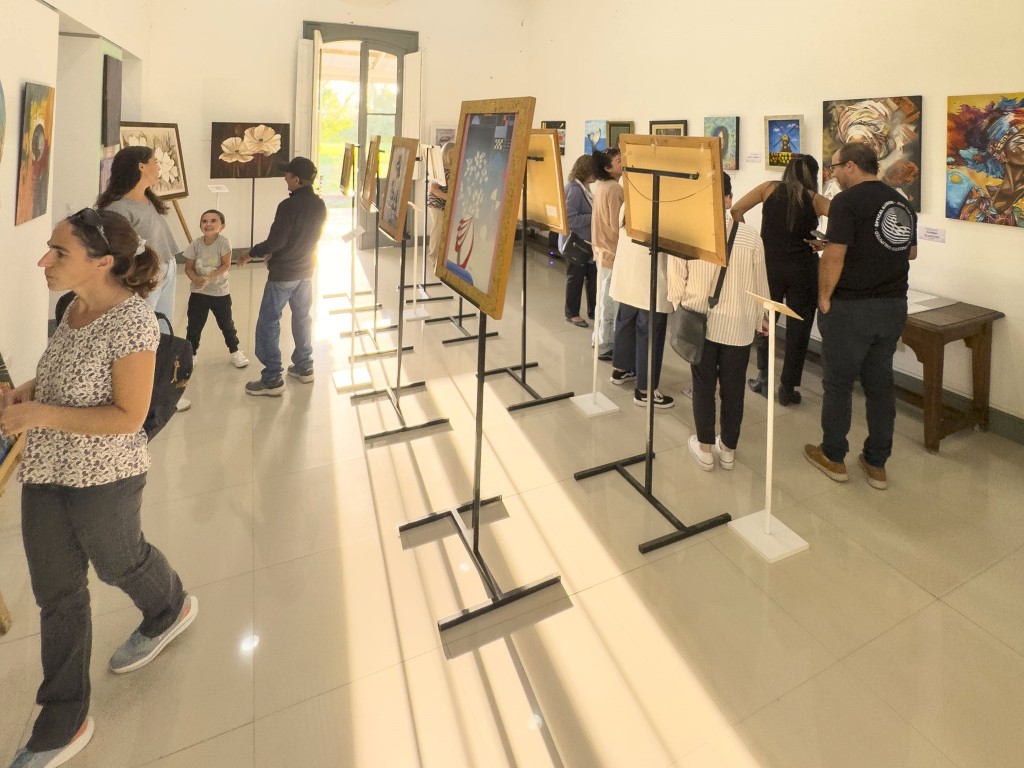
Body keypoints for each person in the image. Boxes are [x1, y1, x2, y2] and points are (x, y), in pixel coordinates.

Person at [0, 209, 197, 768]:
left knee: (119, 563)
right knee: (56, 594)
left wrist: (38, 411)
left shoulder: (133, 322)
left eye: (59, 252)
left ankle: (169, 605)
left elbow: (127, 416)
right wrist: (27, 396)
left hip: (105, 476)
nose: (44, 260)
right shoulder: (72, 309)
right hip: (47, 472)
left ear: (103, 262)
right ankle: (64, 716)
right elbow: (65, 375)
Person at [804, 142, 918, 490]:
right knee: (880, 386)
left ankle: (834, 456)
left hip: (852, 309)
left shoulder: (846, 202)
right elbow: (908, 252)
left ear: (851, 166)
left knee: (838, 384)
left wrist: (823, 297)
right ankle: (876, 462)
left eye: (835, 167)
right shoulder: (901, 201)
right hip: (893, 306)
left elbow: (835, 257)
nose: (832, 173)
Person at [668, 172, 769, 470]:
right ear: (728, 199)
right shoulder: (750, 236)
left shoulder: (686, 231)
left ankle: (704, 447)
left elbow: (676, 283)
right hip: (737, 326)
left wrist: (683, 307)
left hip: (700, 322)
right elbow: (759, 286)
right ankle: (728, 449)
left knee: (702, 385)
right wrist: (758, 320)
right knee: (733, 388)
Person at [97, 145, 190, 411]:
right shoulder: (118, 208)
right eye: (154, 161)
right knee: (142, 337)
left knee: (162, 333)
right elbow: (120, 253)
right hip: (146, 276)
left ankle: (162, 392)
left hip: (167, 269)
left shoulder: (149, 199)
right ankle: (137, 396)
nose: (158, 166)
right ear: (140, 166)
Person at [731, 155, 830, 404]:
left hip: (769, 268)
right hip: (803, 271)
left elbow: (735, 210)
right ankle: (787, 388)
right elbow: (845, 227)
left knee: (764, 324)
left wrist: (750, 238)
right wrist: (823, 243)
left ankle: (764, 378)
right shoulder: (815, 200)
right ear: (813, 176)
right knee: (799, 330)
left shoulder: (769, 188)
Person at [238, 156, 327, 396]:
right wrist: (276, 254)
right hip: (306, 271)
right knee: (302, 318)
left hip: (283, 275)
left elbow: (277, 241)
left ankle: (272, 378)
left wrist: (250, 253)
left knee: (268, 322)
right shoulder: (319, 204)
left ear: (297, 180)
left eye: (287, 176)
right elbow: (305, 238)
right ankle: (304, 366)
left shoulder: (288, 206)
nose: (284, 179)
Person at [609, 169, 674, 409]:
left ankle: (621, 369)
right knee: (650, 331)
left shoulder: (630, 204)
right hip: (650, 278)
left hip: (628, 275)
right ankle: (645, 390)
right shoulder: (660, 207)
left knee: (626, 321)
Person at [183, 209, 249, 368]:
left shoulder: (223, 242)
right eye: (204, 221)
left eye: (214, 221)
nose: (208, 224)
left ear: (222, 225)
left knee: (227, 324)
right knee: (194, 325)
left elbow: (226, 265)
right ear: (200, 225)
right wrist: (196, 279)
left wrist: (208, 277)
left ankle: (235, 352)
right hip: (198, 294)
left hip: (220, 294)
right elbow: (188, 268)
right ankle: (191, 354)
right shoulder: (195, 244)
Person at [591, 147, 624, 359]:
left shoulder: (602, 186)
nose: (623, 162)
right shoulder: (613, 189)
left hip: (601, 250)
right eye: (619, 160)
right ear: (607, 168)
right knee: (610, 303)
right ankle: (605, 345)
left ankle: (600, 340)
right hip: (611, 252)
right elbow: (616, 225)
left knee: (603, 300)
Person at [559, 154, 596, 327]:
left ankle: (593, 310)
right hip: (577, 244)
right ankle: (572, 313)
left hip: (586, 244)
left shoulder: (584, 188)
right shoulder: (574, 190)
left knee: (591, 276)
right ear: (587, 171)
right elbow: (570, 219)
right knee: (575, 279)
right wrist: (594, 216)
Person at [426, 142, 455, 266]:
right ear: (446, 154)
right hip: (437, 205)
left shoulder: (451, 168)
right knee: (438, 231)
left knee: (444, 231)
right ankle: (433, 258)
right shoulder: (440, 169)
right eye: (451, 153)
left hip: (445, 205)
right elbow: (433, 188)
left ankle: (442, 257)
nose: (454, 156)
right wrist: (449, 198)